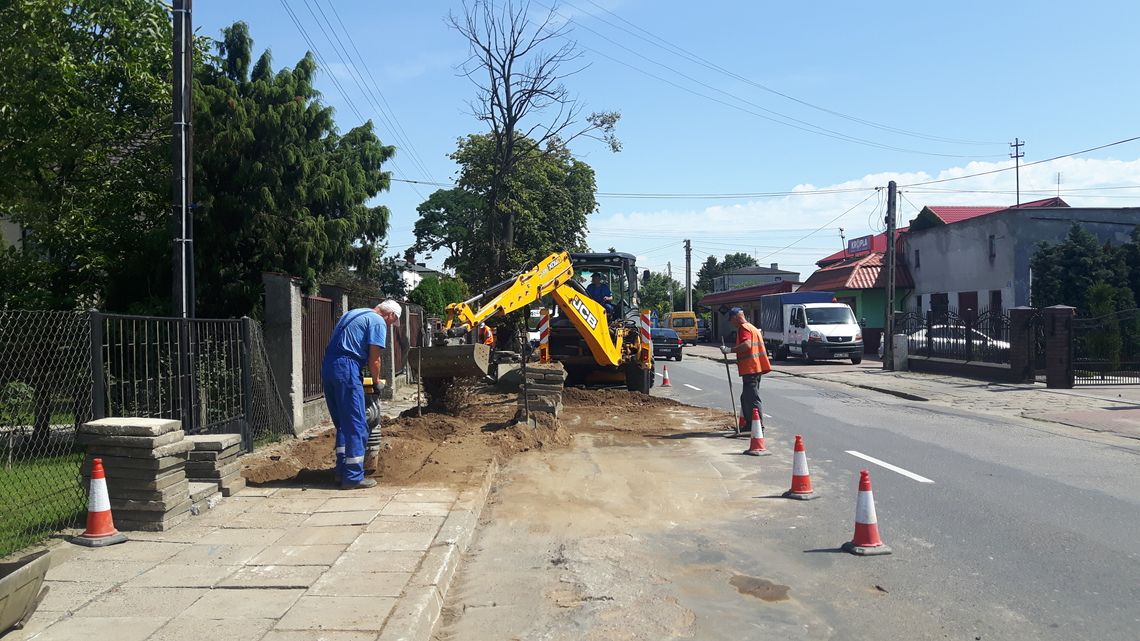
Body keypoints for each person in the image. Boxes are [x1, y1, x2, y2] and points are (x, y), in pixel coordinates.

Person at [322, 299, 402, 490]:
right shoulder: (377, 321)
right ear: (390, 315)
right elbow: (374, 358)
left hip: (329, 367)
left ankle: (341, 471)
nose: (389, 326)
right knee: (357, 424)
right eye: (392, 322)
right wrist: (376, 382)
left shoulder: (353, 314)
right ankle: (353, 477)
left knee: (343, 423)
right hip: (347, 369)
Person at [720, 307, 772, 429]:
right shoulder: (752, 328)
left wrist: (730, 350)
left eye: (731, 320)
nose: (732, 323)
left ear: (735, 318)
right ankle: (749, 425)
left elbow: (747, 345)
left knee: (752, 398)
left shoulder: (743, 328)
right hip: (755, 368)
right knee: (745, 398)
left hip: (751, 369)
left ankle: (758, 427)